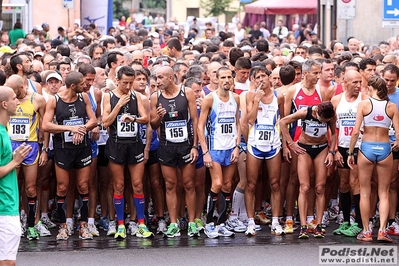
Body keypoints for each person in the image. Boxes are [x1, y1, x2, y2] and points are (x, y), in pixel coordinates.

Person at [42, 71, 97, 240]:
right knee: (62, 187)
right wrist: (70, 129)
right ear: (73, 86)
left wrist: (82, 129)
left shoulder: (84, 98)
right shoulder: (55, 100)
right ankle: (63, 226)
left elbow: (93, 120)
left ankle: (83, 225)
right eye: (82, 84)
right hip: (63, 149)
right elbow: (46, 125)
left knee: (83, 186)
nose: (85, 85)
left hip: (82, 148)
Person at [102, 66, 153, 239]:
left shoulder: (137, 96)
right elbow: (105, 122)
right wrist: (119, 106)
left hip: (134, 144)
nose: (128, 86)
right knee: (119, 185)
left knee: (138, 184)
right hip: (117, 144)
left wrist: (134, 118)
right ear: (117, 80)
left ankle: (140, 224)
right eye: (125, 83)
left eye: (131, 83)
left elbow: (146, 119)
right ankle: (121, 225)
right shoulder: (108, 96)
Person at [348, 75, 399, 243]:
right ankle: (383, 230)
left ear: (371, 87)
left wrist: (349, 152)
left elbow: (356, 131)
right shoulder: (391, 107)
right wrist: (396, 144)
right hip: (385, 148)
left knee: (365, 191)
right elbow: (398, 134)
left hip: (367, 148)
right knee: (383, 192)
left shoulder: (364, 104)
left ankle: (366, 231)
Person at [150, 66, 199, 238]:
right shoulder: (155, 97)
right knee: (170, 185)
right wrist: (158, 116)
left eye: (161, 77)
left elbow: (195, 121)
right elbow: (153, 124)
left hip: (185, 145)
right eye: (156, 77)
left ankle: (192, 222)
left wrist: (195, 146)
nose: (158, 81)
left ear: (171, 77)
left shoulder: (187, 93)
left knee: (188, 184)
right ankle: (173, 223)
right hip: (166, 145)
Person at [280, 101, 336, 239]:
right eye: (323, 120)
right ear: (317, 113)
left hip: (322, 149)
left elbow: (334, 134)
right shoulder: (306, 112)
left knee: (320, 187)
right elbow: (283, 122)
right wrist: (290, 143)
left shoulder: (331, 115)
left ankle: (318, 224)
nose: (325, 122)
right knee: (304, 187)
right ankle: (303, 226)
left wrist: (331, 152)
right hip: (304, 149)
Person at [198, 67, 241, 238]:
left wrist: (238, 146)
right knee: (216, 183)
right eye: (223, 77)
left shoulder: (236, 98)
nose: (226, 80)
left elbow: (238, 123)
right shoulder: (210, 99)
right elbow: (200, 127)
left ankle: (222, 223)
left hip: (230, 147)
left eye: (229, 77)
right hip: (215, 147)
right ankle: (209, 223)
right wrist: (205, 152)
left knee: (227, 185)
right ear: (216, 79)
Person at [6, 75, 48, 240]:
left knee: (31, 188)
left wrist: (45, 149)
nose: (12, 95)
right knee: (12, 188)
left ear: (21, 88)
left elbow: (44, 126)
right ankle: (14, 225)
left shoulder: (37, 100)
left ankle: (31, 225)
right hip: (12, 147)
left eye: (14, 92)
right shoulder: (7, 100)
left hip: (31, 146)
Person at [244, 66, 285, 236]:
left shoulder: (279, 96)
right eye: (257, 77)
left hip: (273, 144)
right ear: (253, 80)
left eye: (264, 76)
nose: (261, 79)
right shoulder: (250, 95)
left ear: (269, 77)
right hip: (255, 144)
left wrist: (286, 144)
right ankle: (250, 222)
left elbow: (284, 120)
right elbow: (250, 119)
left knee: (275, 184)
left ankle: (276, 221)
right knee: (251, 184)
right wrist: (257, 101)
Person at [0, 86, 32, 265]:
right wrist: (15, 162)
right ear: (4, 104)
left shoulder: (4, 130)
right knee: (7, 262)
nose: (18, 102)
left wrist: (12, 157)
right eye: (14, 99)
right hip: (4, 207)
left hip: (7, 205)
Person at [331, 70, 364, 237]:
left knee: (354, 183)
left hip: (359, 147)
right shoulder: (337, 100)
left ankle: (358, 223)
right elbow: (333, 129)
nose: (359, 86)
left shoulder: (364, 100)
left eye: (360, 82)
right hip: (342, 147)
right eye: (355, 83)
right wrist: (334, 149)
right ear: (346, 82)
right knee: (343, 183)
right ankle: (345, 221)